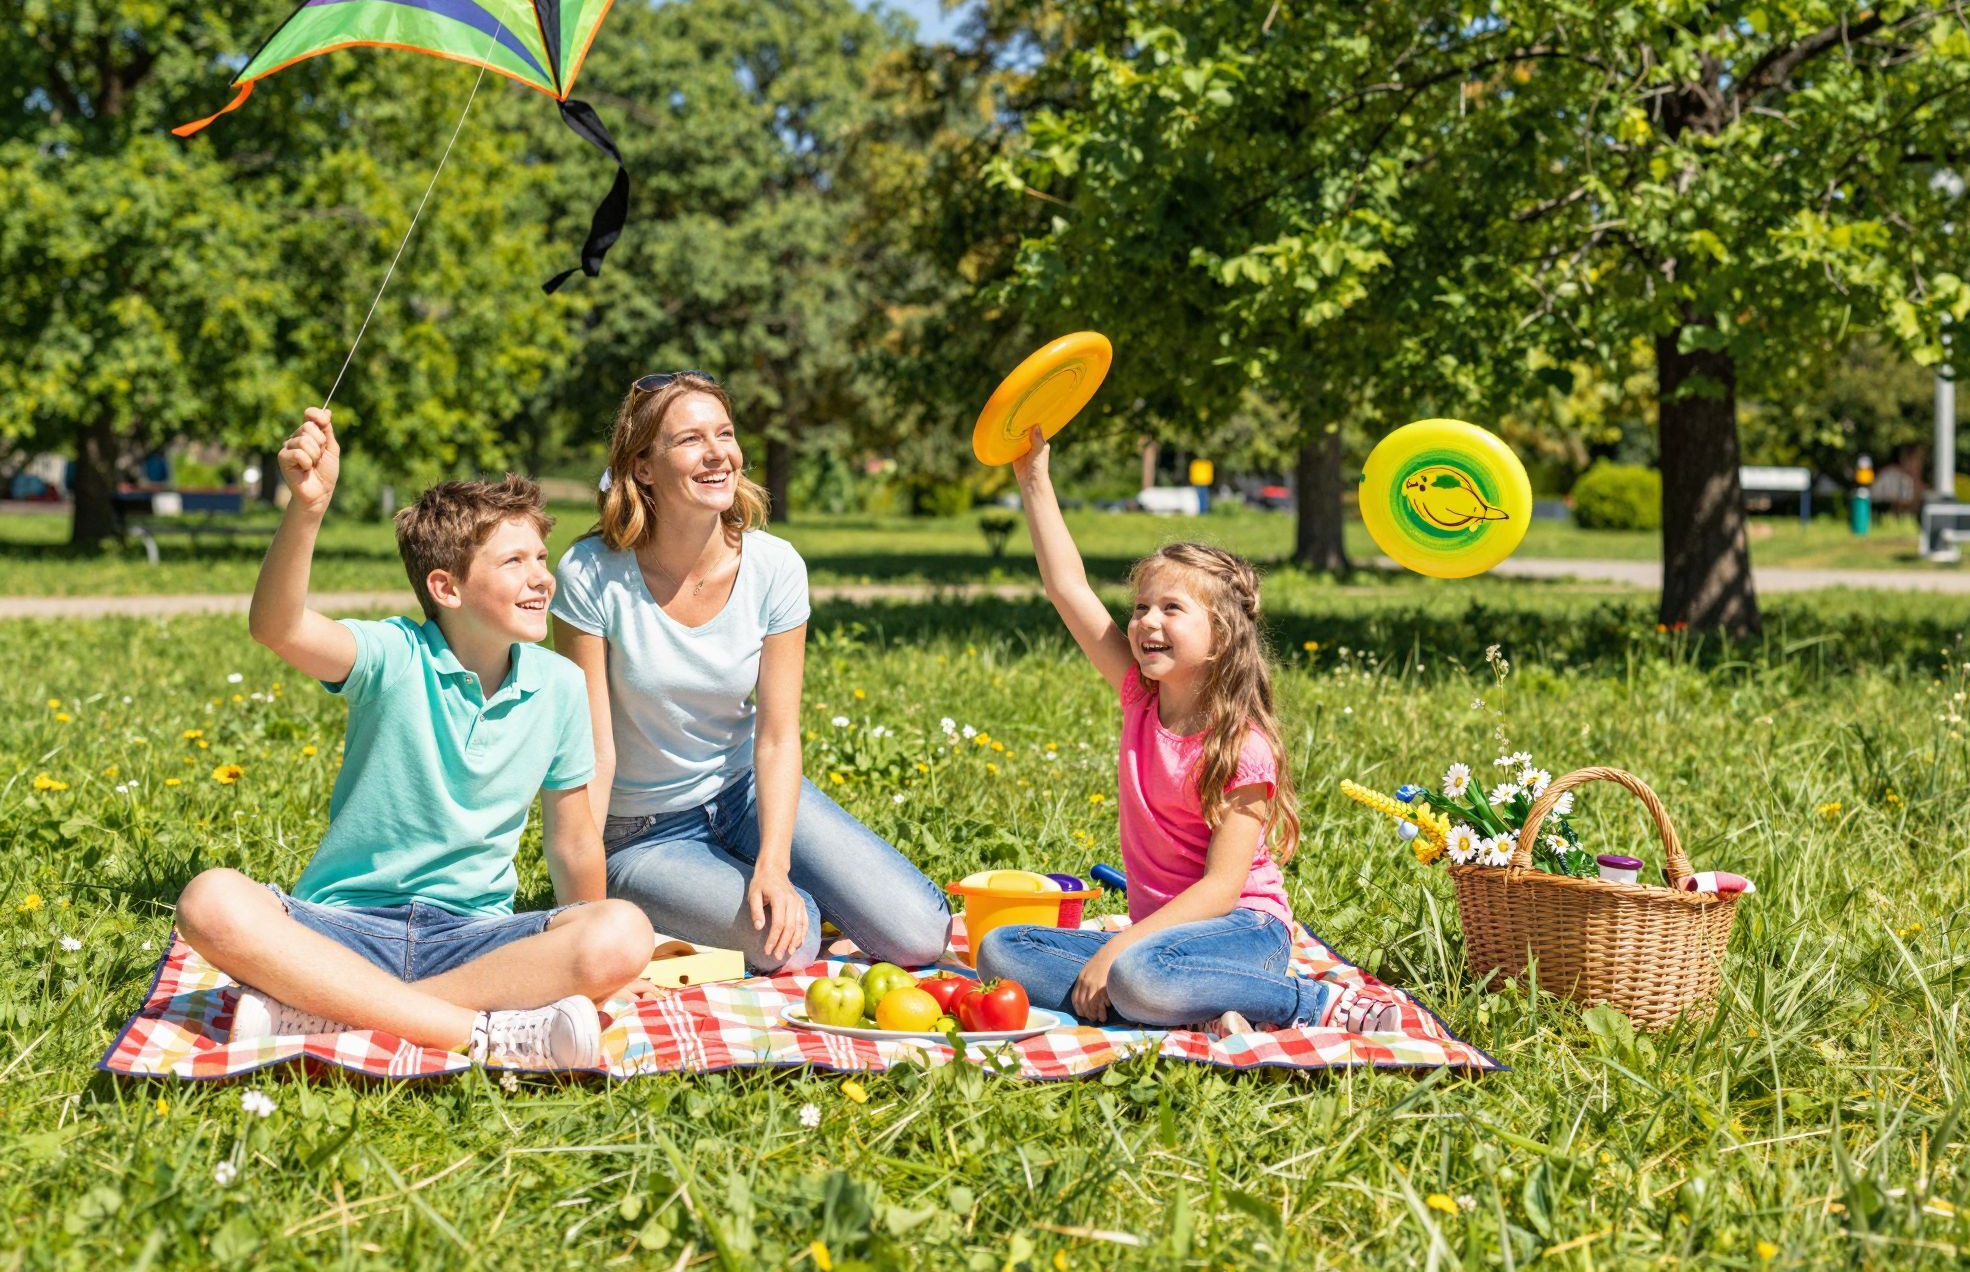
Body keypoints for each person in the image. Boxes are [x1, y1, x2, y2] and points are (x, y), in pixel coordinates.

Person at [174, 409, 653, 1070]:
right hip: (341, 927)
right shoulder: (392, 655)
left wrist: (587, 961)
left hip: (474, 938)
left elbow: (573, 842)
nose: (541, 576)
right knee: (209, 901)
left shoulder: (561, 686)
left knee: (623, 933)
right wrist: (307, 508)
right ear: (445, 587)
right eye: (513, 561)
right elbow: (277, 628)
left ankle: (322, 1014)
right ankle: (474, 1032)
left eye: (540, 558)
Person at [976, 427, 1398, 1035]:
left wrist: (1117, 951)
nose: (1148, 620)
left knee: (1135, 975)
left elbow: (1223, 891)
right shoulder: (1140, 700)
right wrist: (1033, 478)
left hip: (1243, 933)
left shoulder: (1242, 746)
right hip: (1164, 942)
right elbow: (1068, 588)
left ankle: (1311, 1003)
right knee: (1001, 950)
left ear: (1221, 636)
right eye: (1142, 606)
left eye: (1172, 609)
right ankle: (1195, 1008)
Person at [551, 372, 951, 973]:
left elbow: (778, 736)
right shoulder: (590, 574)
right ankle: (713, 899)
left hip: (745, 796)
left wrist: (774, 863)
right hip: (643, 832)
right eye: (690, 440)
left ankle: (768, 889)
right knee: (791, 943)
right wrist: (582, 905)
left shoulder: (775, 566)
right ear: (642, 467)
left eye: (726, 434)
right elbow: (591, 752)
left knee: (921, 936)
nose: (718, 454)